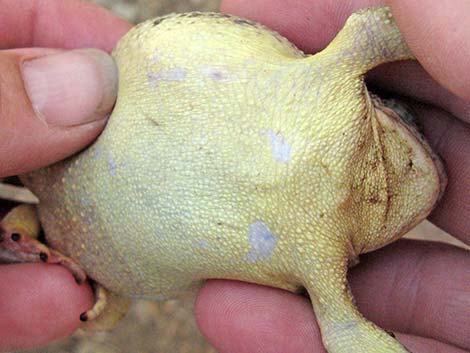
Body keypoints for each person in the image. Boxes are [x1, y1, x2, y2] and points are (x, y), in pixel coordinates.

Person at [0, 0, 468, 352]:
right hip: (94, 229)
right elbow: (373, 29)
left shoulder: (327, 280)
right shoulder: (334, 79)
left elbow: (375, 28)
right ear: (386, 115)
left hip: (97, 243)